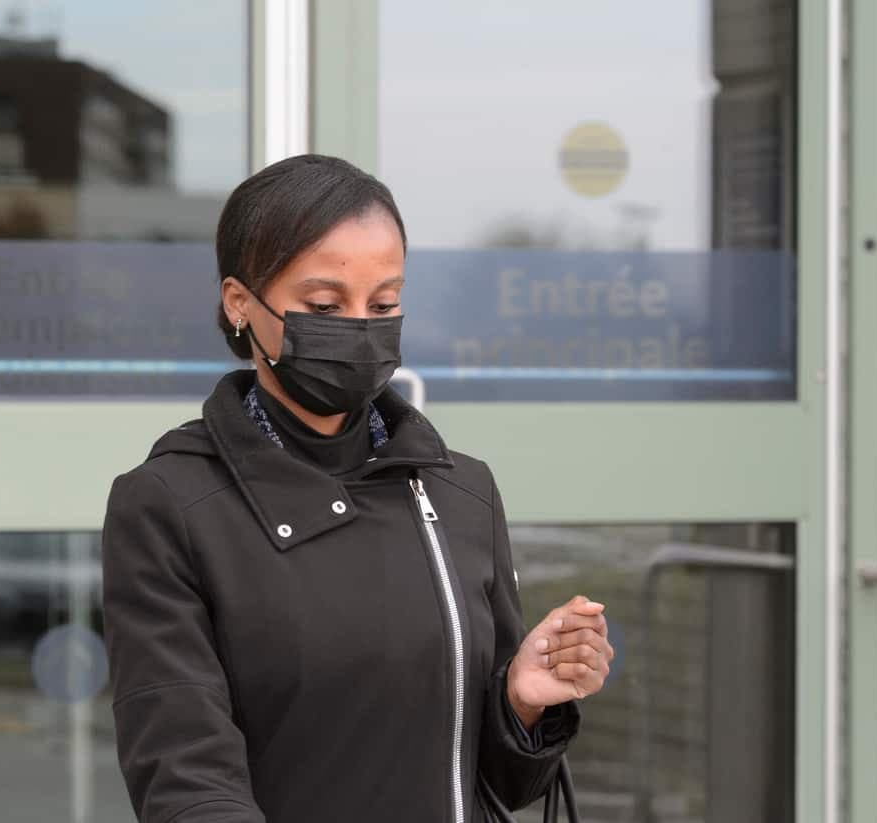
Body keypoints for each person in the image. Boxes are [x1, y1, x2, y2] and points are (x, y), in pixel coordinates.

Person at [101, 154, 613, 823]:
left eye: (384, 303)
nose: (360, 326)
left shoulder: (461, 491)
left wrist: (522, 700)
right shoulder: (168, 504)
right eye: (323, 305)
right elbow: (187, 782)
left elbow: (500, 783)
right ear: (239, 303)